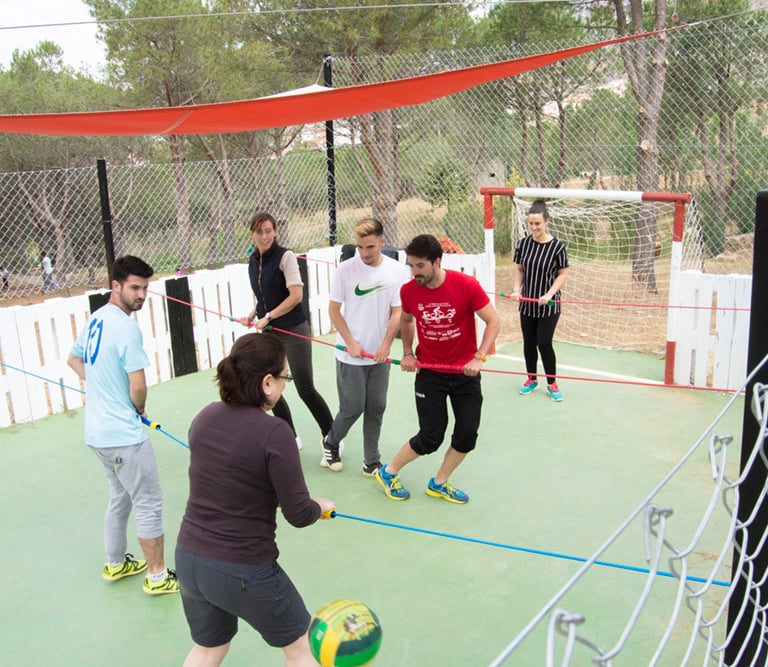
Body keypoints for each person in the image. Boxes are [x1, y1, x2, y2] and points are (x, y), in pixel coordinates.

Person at [176, 333, 335, 667]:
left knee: (209, 649)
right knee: (303, 649)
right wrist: (320, 507)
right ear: (267, 383)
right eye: (285, 378)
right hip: (243, 568)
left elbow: (232, 480)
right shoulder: (276, 433)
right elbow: (298, 513)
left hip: (189, 560)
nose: (285, 385)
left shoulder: (205, 416)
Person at [67, 255, 179, 595]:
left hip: (97, 436)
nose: (141, 295)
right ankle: (157, 577)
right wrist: (138, 407)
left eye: (145, 288)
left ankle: (115, 563)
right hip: (124, 437)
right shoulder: (127, 327)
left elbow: (74, 359)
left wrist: (102, 388)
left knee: (120, 496)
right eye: (134, 288)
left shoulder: (97, 319)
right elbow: (138, 386)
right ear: (115, 286)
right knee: (149, 502)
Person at [374, 234, 500, 504]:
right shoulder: (409, 291)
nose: (414, 272)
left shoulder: (466, 285)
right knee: (430, 437)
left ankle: (439, 483)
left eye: (420, 266)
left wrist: (479, 357)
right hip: (430, 373)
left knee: (467, 435)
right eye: (411, 266)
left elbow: (493, 321)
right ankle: (388, 472)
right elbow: (406, 320)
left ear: (437, 262)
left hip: (465, 374)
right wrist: (407, 352)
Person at [238, 212, 333, 452]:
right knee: (270, 387)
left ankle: (332, 438)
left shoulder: (286, 257)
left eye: (268, 231)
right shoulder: (253, 261)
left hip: (293, 330)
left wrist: (268, 316)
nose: (264, 236)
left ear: (275, 232)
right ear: (251, 234)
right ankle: (290, 437)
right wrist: (253, 313)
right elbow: (266, 296)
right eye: (259, 232)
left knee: (305, 388)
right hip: (270, 331)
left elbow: (295, 296)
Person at [322, 218, 409, 475]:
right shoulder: (345, 270)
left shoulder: (397, 271)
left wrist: (385, 345)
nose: (364, 253)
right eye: (360, 247)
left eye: (370, 247)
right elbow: (334, 311)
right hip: (350, 355)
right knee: (353, 408)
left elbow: (397, 311)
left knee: (377, 407)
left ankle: (371, 461)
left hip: (379, 356)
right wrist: (350, 342)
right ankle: (331, 442)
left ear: (382, 242)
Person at [510, 199, 569, 402]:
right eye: (531, 223)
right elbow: (519, 269)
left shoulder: (557, 247)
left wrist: (549, 294)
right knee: (529, 343)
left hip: (549, 306)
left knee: (544, 343)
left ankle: (552, 383)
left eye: (538, 223)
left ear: (546, 222)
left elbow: (563, 273)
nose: (534, 227)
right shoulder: (523, 244)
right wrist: (516, 289)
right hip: (527, 303)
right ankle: (531, 379)